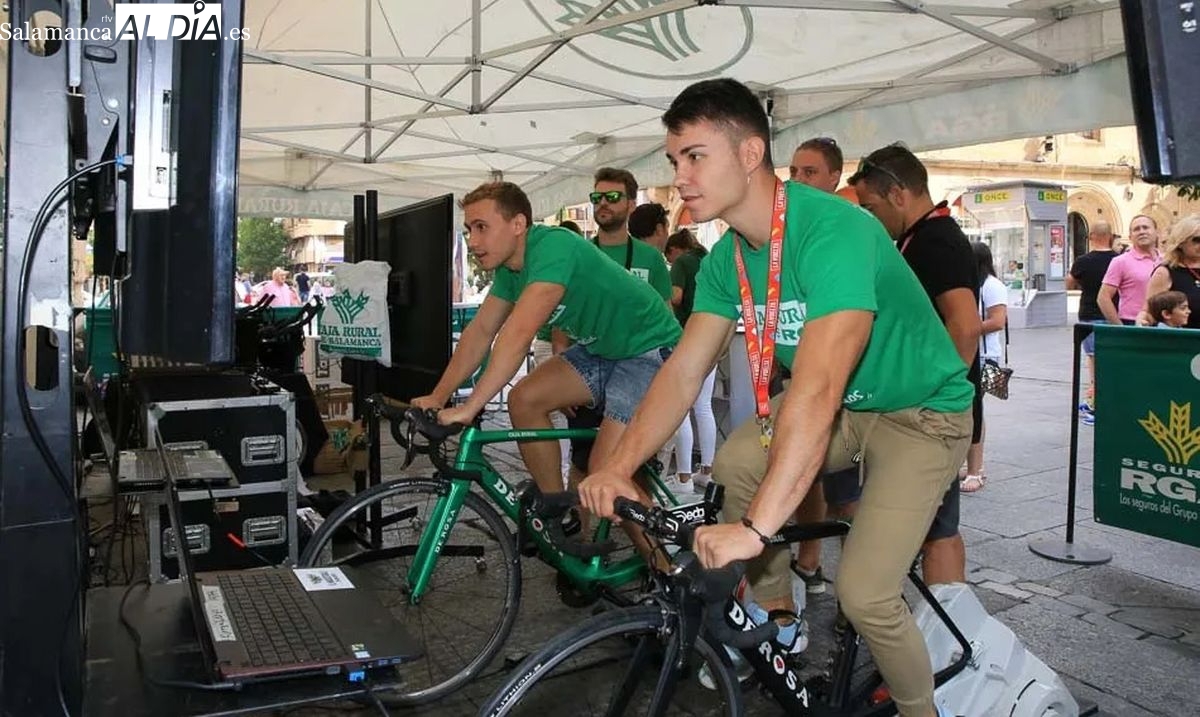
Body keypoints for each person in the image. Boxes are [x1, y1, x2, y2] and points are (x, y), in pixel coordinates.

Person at [579, 78, 973, 717]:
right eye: (674, 159)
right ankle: (775, 610)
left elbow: (815, 390)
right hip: (852, 409)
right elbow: (681, 373)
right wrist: (618, 466)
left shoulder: (834, 231)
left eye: (695, 156)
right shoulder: (725, 259)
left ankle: (921, 710)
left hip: (922, 414)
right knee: (736, 464)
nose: (679, 176)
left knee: (866, 594)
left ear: (750, 153)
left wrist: (756, 529)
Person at [412, 182, 681, 505]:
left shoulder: (554, 246)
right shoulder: (511, 270)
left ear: (518, 224)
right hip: (602, 350)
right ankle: (556, 511)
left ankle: (662, 556)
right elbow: (480, 332)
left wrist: (471, 407)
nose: (473, 241)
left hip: (648, 349)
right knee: (524, 399)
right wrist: (438, 397)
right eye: (469, 229)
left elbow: (516, 335)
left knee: (604, 473)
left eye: (482, 227)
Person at [849, 143, 981, 588]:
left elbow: (964, 326)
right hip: (921, 406)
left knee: (938, 530)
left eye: (872, 206)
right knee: (930, 526)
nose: (872, 217)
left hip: (932, 412)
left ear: (899, 194)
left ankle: (951, 633)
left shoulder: (935, 239)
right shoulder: (918, 237)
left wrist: (935, 397)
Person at [787, 135, 859, 596]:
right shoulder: (789, 237)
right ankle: (809, 562)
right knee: (804, 474)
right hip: (801, 381)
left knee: (848, 495)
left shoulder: (850, 230)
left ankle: (856, 595)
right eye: (793, 173)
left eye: (809, 172)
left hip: (853, 391)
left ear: (835, 177)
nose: (798, 182)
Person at [662, 228, 717, 492]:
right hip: (712, 337)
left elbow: (675, 296)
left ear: (675, 250)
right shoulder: (708, 259)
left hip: (685, 337)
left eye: (669, 257)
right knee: (703, 406)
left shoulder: (683, 263)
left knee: (680, 406)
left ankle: (683, 477)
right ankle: (707, 469)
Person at [961, 242, 1008, 492]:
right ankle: (970, 465)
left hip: (984, 356)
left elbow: (998, 321)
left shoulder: (991, 286)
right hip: (973, 353)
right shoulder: (974, 284)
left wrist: (965, 327)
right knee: (969, 410)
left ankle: (976, 470)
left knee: (975, 411)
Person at [1067, 222, 1119, 424]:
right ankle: (1095, 400)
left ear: (1091, 237)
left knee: (1093, 360)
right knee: (1111, 359)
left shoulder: (1083, 261)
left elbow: (1069, 282)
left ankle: (1096, 404)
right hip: (1115, 313)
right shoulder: (1119, 259)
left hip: (1089, 314)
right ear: (1110, 236)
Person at [1135, 213, 1200, 330]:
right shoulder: (1165, 272)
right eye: (1197, 240)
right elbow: (1149, 311)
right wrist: (1143, 321)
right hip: (1182, 342)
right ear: (1181, 242)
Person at [1098, 215, 1160, 326]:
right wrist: (1119, 327)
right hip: (1132, 323)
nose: (1142, 232)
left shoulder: (1167, 261)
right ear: (1130, 236)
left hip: (1165, 324)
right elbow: (1103, 297)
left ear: (1156, 232)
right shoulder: (1121, 262)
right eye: (1136, 229)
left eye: (1146, 227)